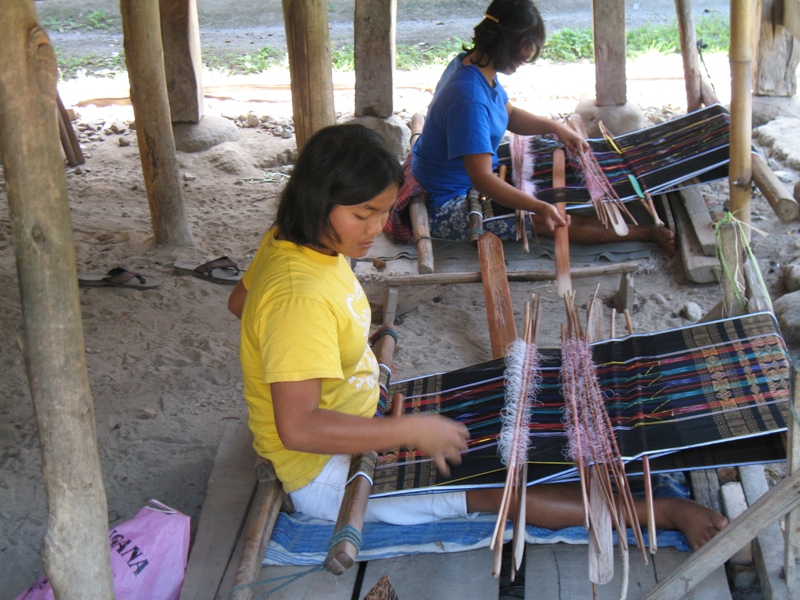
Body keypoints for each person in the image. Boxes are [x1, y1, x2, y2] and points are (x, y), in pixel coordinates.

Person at [228, 122, 725, 548]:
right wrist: (406, 430)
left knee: (503, 422)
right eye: (362, 215)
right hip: (324, 474)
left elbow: (241, 303)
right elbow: (298, 428)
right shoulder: (300, 296)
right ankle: (663, 512)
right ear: (318, 201)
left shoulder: (288, 243)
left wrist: (327, 353)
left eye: (383, 211)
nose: (377, 228)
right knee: (499, 487)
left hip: (356, 414)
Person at [385, 0, 675, 254]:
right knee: (546, 220)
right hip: (444, 201)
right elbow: (484, 181)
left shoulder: (472, 64)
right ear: (505, 45)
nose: (526, 59)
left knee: (548, 152)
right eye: (523, 52)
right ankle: (645, 232)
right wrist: (538, 206)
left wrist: (554, 127)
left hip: (446, 173)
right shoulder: (468, 100)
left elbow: (507, 113)